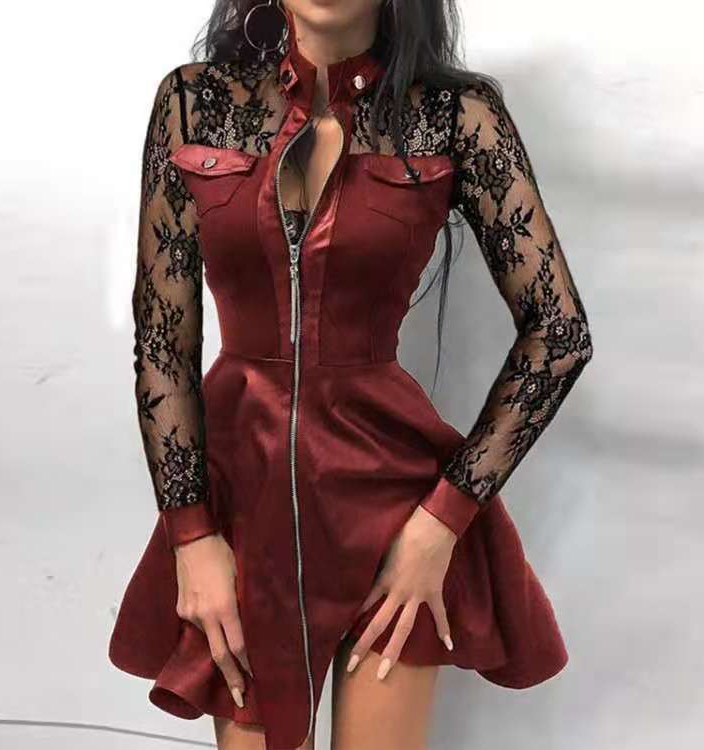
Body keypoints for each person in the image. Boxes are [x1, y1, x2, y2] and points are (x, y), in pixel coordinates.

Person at [108, 1, 594, 748]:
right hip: (242, 502)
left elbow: (559, 333)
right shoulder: (195, 102)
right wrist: (191, 535)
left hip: (395, 507)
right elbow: (162, 342)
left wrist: (440, 523)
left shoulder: (454, 115)